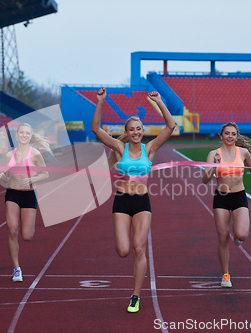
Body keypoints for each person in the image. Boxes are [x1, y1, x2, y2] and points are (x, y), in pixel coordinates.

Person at [91, 87, 176, 313]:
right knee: (123, 250)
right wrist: (100, 102)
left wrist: (159, 102)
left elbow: (170, 127)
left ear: (142, 131)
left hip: (142, 203)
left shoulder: (150, 149)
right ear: (127, 133)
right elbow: (96, 129)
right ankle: (134, 289)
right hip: (121, 202)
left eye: (139, 129)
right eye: (132, 129)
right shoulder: (120, 148)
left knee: (139, 248)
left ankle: (135, 296)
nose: (136, 132)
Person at [202, 122, 251, 288]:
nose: (230, 136)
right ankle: (225, 274)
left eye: (233, 134)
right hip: (221, 197)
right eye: (226, 133)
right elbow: (205, 180)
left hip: (239, 196)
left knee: (242, 234)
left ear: (236, 136)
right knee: (222, 238)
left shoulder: (243, 152)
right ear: (221, 136)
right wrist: (214, 166)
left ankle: (237, 234)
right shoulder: (213, 154)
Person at [0, 123, 51, 282]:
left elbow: (45, 174)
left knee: (27, 236)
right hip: (12, 194)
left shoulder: (35, 154)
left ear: (30, 135)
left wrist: (33, 179)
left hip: (28, 195)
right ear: (17, 135)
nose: (24, 135)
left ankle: (17, 265)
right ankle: (16, 269)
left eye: (27, 133)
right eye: (22, 132)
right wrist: (3, 177)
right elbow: (6, 177)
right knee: (12, 230)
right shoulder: (9, 156)